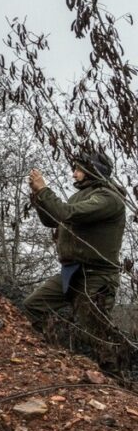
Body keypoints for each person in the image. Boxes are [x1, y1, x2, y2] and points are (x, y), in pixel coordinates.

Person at [23, 149, 125, 360]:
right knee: (33, 306)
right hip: (71, 271)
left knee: (97, 336)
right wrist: (38, 196)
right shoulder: (80, 195)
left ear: (92, 170)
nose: (73, 174)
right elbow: (53, 219)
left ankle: (115, 384)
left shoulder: (109, 198)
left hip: (96, 277)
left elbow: (66, 213)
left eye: (78, 169)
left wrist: (44, 190)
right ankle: (48, 359)